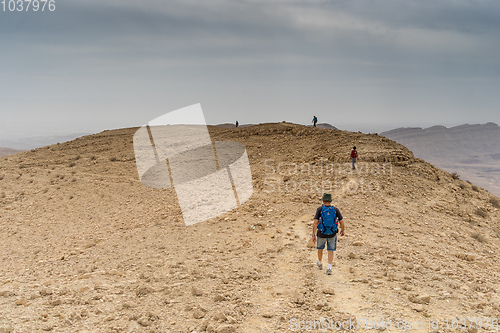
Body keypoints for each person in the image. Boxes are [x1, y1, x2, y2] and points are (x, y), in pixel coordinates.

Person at [312, 193, 345, 275]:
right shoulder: (335, 209)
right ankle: (329, 267)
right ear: (330, 201)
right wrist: (342, 230)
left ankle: (319, 262)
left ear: (323, 201)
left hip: (321, 233)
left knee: (320, 248)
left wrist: (313, 234)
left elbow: (315, 222)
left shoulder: (320, 209)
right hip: (332, 233)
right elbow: (341, 221)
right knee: (330, 250)